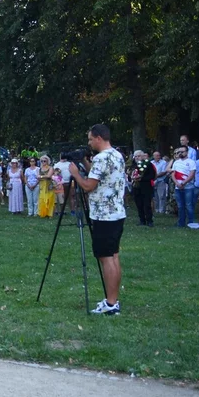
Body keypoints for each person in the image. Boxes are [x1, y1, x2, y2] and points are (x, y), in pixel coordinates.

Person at [66, 124, 126, 315]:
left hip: (103, 215)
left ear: (99, 138)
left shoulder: (101, 158)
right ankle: (113, 300)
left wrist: (75, 174)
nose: (89, 143)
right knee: (113, 256)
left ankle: (110, 304)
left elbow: (88, 185)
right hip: (117, 212)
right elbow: (99, 176)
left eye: (90, 139)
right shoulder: (116, 155)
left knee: (106, 258)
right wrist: (84, 162)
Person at [170, 146, 197, 228]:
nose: (180, 153)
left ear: (187, 152)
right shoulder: (176, 162)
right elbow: (173, 174)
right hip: (178, 187)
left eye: (182, 152)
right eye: (178, 152)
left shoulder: (191, 162)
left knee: (189, 205)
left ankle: (191, 222)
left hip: (188, 187)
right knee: (180, 206)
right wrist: (177, 183)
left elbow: (192, 174)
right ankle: (181, 223)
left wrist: (184, 183)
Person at [130, 150, 156, 227]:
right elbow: (129, 174)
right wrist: (132, 177)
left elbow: (152, 175)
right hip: (136, 187)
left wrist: (141, 178)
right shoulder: (133, 165)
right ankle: (142, 220)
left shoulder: (148, 164)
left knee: (147, 204)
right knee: (139, 204)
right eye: (136, 156)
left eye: (139, 156)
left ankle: (149, 221)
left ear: (143, 156)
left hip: (146, 187)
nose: (137, 158)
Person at [152, 151, 169, 215]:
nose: (158, 157)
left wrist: (155, 176)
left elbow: (164, 172)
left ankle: (162, 210)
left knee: (161, 196)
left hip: (161, 181)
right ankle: (156, 209)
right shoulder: (151, 163)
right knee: (155, 196)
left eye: (159, 155)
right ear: (153, 156)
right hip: (153, 181)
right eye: (156, 156)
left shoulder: (163, 162)